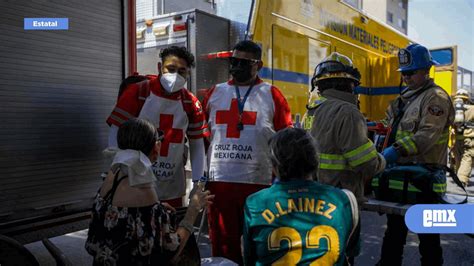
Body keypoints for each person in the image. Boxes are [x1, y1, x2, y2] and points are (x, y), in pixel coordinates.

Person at [203, 40, 293, 264]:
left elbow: (286, 141)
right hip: (219, 186)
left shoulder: (272, 95)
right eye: (233, 61)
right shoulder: (215, 93)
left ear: (258, 64)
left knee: (261, 248)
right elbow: (202, 138)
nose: (237, 66)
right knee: (223, 250)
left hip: (260, 186)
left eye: (244, 62)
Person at [85, 118, 214, 265]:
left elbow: (127, 215)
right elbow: (170, 250)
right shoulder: (144, 189)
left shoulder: (113, 174)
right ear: (155, 147)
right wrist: (193, 210)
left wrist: (157, 210)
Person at [377, 44, 454, 266]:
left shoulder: (435, 98)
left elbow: (426, 136)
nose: (407, 77)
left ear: (425, 70)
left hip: (425, 180)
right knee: (393, 233)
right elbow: (389, 125)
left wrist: (395, 151)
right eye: (404, 73)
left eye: (411, 72)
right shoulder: (404, 99)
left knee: (428, 239)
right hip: (400, 178)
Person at [305, 52, 385, 264]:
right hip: (341, 201)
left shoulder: (311, 112)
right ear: (348, 84)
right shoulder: (348, 112)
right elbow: (365, 163)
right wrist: (384, 160)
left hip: (312, 198)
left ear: (320, 86)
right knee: (341, 257)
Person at [106, 46, 209, 207]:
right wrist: (117, 169)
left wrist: (198, 183)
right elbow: (116, 130)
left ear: (188, 73)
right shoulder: (139, 91)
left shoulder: (191, 103)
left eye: (182, 71)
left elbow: (197, 144)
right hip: (135, 180)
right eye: (171, 69)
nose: (175, 75)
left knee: (168, 229)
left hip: (171, 184)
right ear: (160, 67)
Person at [243, 128, 359, 265]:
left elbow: (249, 258)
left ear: (275, 165)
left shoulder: (255, 203)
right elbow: (351, 251)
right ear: (315, 161)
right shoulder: (343, 200)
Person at [452, 88, 473, 187]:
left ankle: (458, 176)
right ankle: (462, 179)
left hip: (457, 137)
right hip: (469, 138)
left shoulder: (453, 110)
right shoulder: (472, 109)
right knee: (467, 157)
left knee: (458, 157)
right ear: (467, 98)